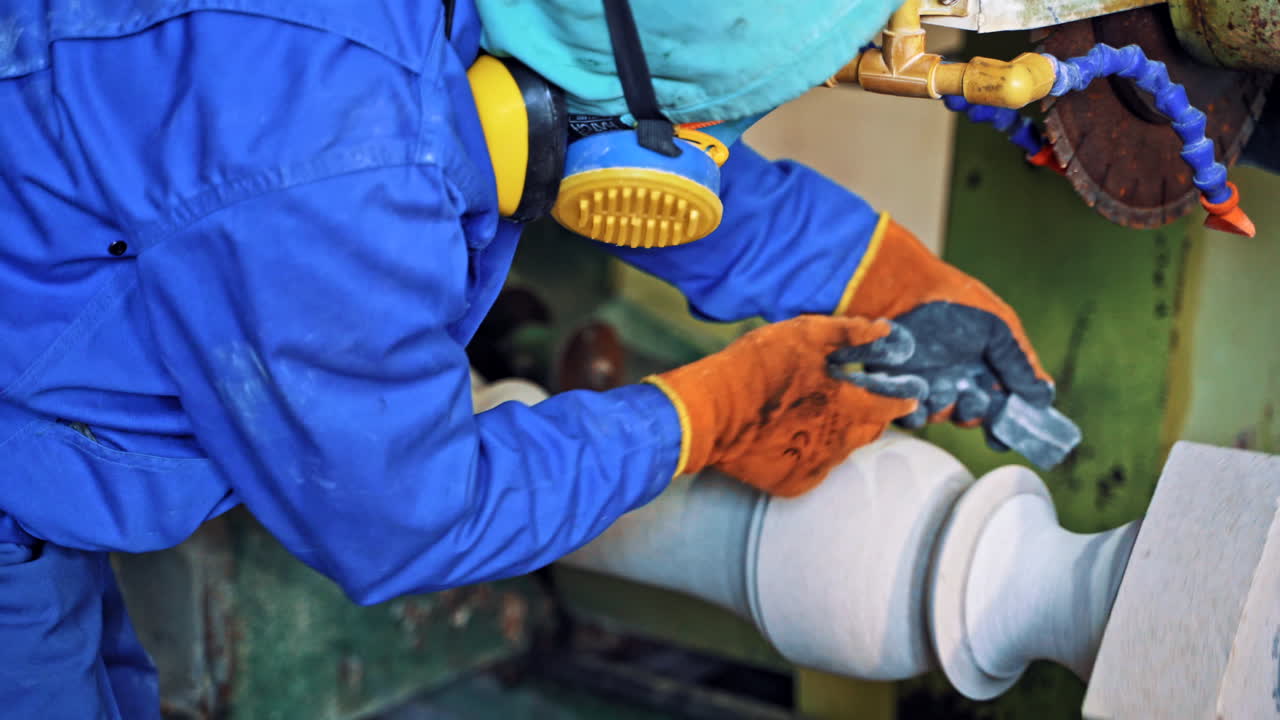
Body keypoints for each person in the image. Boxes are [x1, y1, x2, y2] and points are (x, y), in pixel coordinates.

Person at [0, 0, 1054, 716]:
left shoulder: (520, 41)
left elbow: (632, 136)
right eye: (696, 123)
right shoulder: (330, 166)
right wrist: (712, 410)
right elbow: (407, 514)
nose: (698, 150)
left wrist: (891, 281)